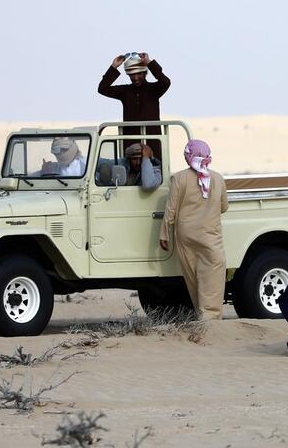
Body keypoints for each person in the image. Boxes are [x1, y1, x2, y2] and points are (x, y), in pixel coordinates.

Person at [159, 140, 228, 320]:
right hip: (210, 235)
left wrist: (164, 233)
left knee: (193, 277)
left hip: (185, 234)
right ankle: (210, 318)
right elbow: (224, 207)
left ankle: (202, 314)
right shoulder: (218, 178)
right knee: (212, 275)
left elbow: (171, 209)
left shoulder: (179, 178)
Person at [98, 52, 171, 135]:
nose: (136, 78)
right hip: (130, 143)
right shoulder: (125, 91)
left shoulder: (154, 90)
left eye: (138, 73)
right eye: (132, 75)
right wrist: (114, 66)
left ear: (145, 73)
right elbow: (102, 89)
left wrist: (149, 63)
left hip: (153, 143)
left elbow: (166, 82)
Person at [96, 143, 162, 190]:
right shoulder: (124, 163)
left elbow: (148, 184)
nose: (138, 163)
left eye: (141, 159)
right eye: (134, 159)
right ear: (128, 159)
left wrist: (146, 159)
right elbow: (98, 162)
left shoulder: (155, 169)